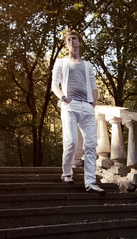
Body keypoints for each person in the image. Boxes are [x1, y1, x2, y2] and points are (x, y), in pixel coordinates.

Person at [51, 30, 104, 193]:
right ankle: (67, 172)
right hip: (70, 105)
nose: (72, 41)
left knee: (91, 144)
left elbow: (94, 86)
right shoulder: (60, 63)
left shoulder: (88, 65)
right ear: (66, 45)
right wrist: (64, 98)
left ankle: (90, 182)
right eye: (69, 39)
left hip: (86, 106)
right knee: (72, 141)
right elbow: (54, 85)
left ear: (79, 42)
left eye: (74, 38)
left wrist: (92, 104)